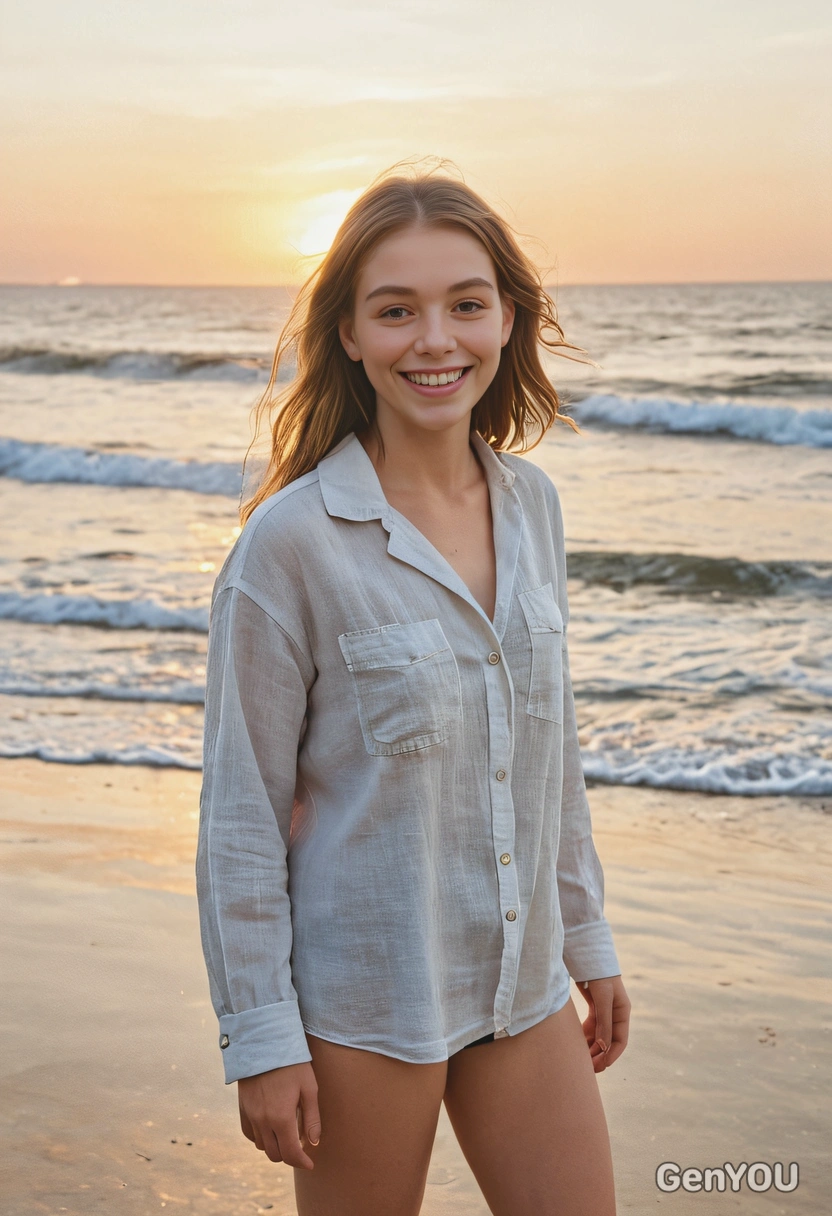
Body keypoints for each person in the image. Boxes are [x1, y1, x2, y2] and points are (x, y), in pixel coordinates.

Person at [196, 162, 631, 1216]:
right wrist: (261, 1037)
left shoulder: (534, 507)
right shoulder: (289, 544)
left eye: (464, 304)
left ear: (506, 318)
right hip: (363, 1001)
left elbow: (546, 748)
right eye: (396, 311)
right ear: (349, 334)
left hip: (520, 984)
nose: (435, 340)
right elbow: (240, 815)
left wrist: (587, 938)